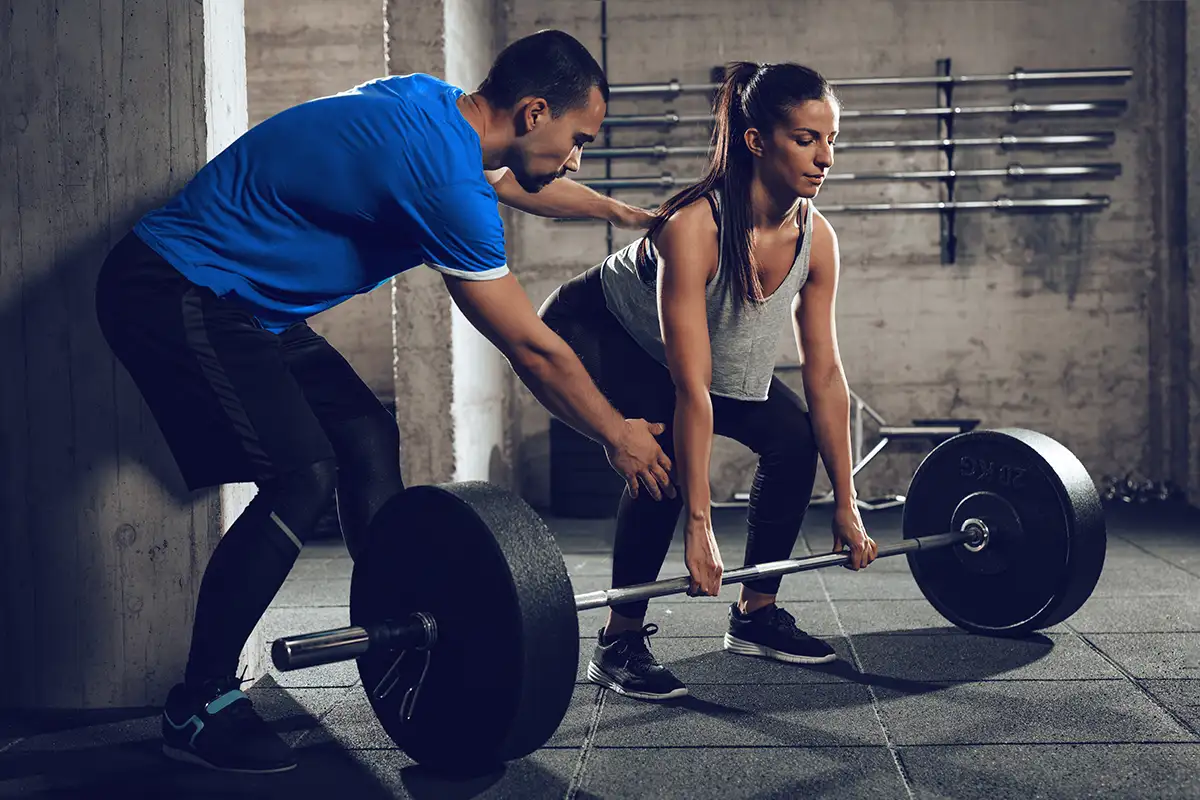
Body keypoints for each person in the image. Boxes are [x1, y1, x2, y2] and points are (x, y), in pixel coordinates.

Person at [94, 29, 675, 774]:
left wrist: (621, 215)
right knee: (302, 472)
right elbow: (531, 347)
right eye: (577, 140)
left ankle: (397, 628)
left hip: (252, 308)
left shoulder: (434, 106)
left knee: (367, 435)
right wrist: (614, 432)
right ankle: (197, 703)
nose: (575, 160)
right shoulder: (442, 182)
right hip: (176, 287)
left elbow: (509, 182)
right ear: (534, 113)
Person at [538, 61, 880, 702]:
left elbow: (826, 375)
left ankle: (754, 613)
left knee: (795, 440)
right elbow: (693, 390)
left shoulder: (817, 238)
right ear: (757, 141)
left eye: (832, 140)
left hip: (703, 350)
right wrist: (700, 524)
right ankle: (619, 640)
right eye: (807, 139)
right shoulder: (694, 227)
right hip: (601, 330)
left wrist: (847, 501)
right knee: (660, 463)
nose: (825, 158)